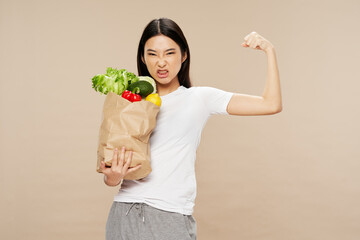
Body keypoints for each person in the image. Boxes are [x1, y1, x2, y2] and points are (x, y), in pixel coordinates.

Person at [99, 17, 282, 240]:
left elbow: (271, 104)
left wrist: (269, 50)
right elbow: (113, 175)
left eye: (169, 53)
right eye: (152, 54)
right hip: (123, 214)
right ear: (142, 57)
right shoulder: (131, 101)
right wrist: (112, 177)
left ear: (184, 55)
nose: (161, 62)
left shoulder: (199, 98)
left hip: (168, 216)